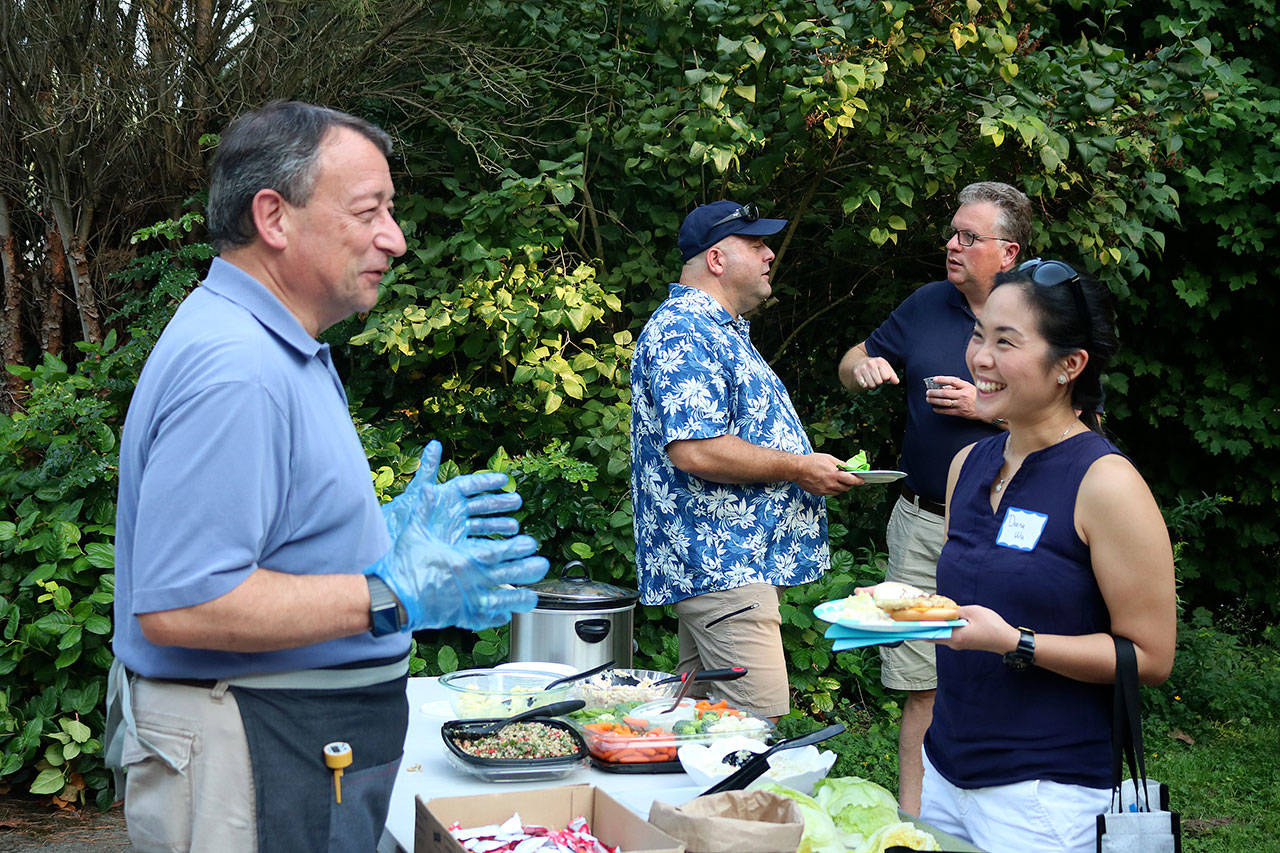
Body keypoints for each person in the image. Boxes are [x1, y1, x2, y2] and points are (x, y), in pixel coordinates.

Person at [104, 101, 549, 852]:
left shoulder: (279, 345)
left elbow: (268, 544)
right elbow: (183, 601)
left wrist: (376, 543)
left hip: (290, 749)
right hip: (248, 754)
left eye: (392, 212)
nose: (395, 240)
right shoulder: (236, 368)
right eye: (369, 211)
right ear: (273, 217)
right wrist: (385, 590)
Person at [920, 259, 1176, 852]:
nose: (980, 358)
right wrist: (899, 610)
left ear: (1070, 365)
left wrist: (1017, 642)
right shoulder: (969, 465)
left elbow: (1151, 657)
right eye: (979, 334)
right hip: (946, 770)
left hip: (1044, 795)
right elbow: (969, 604)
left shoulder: (1106, 482)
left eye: (1005, 342)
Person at [836, 181, 1032, 814]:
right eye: (951, 233)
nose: (951, 245)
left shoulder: (1046, 314)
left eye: (968, 237)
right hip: (922, 525)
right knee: (922, 685)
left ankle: (998, 814)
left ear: (1008, 253)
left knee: (1010, 669)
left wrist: (987, 410)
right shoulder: (927, 304)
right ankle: (914, 825)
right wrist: (860, 366)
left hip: (1010, 528)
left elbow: (1084, 424)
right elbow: (852, 357)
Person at [630, 200, 859, 722]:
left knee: (700, 728)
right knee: (759, 726)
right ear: (716, 258)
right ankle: (742, 806)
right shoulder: (686, 331)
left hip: (726, 564)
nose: (769, 254)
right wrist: (801, 467)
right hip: (723, 567)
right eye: (755, 245)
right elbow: (696, 449)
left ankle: (681, 808)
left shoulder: (716, 330)